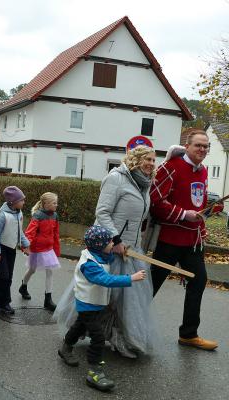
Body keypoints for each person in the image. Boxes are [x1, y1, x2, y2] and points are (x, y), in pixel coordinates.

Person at [150, 129, 218, 351]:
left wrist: (205, 217)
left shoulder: (204, 171)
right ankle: (122, 325)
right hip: (169, 240)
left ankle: (189, 334)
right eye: (198, 145)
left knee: (198, 282)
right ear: (187, 146)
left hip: (192, 241)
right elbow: (155, 200)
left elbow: (199, 203)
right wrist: (182, 214)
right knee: (149, 287)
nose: (203, 149)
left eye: (206, 146)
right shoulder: (171, 167)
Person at [58, 225, 146, 392]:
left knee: (78, 327)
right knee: (98, 338)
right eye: (109, 241)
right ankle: (94, 372)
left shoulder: (100, 255)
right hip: (87, 305)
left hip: (94, 304)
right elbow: (105, 279)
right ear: (99, 245)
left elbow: (109, 259)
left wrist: (119, 252)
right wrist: (130, 278)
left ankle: (65, 347)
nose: (113, 243)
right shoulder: (89, 264)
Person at [95, 145, 156, 358]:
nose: (150, 163)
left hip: (132, 248)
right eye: (146, 159)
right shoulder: (116, 178)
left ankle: (122, 338)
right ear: (135, 159)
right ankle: (89, 331)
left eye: (153, 160)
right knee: (108, 296)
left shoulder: (145, 184)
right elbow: (102, 212)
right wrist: (116, 239)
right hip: (113, 247)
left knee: (128, 300)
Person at [0, 186, 30, 315]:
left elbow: (19, 231)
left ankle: (5, 301)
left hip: (11, 249)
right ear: (13, 202)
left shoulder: (19, 213)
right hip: (1, 249)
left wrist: (26, 244)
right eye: (21, 200)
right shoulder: (2, 215)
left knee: (9, 277)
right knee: (4, 276)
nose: (24, 202)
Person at [18, 192, 61, 311]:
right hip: (37, 248)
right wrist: (26, 246)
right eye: (54, 203)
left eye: (56, 203)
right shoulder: (37, 215)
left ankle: (48, 299)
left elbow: (56, 234)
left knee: (50, 271)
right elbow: (29, 232)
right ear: (45, 204)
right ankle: (23, 286)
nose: (56, 205)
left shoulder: (55, 216)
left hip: (49, 249)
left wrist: (56, 250)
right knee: (32, 270)